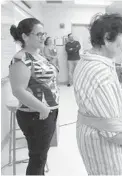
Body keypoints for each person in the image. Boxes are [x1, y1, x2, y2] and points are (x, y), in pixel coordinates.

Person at [73, 13, 122, 175]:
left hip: (92, 136)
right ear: (107, 38)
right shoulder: (99, 71)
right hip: (104, 145)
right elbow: (111, 129)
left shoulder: (88, 62)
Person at [9, 18, 59, 175]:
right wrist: (42, 108)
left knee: (40, 157)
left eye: (43, 33)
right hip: (35, 115)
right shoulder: (20, 58)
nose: (43, 37)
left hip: (46, 113)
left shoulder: (38, 55)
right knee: (37, 159)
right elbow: (18, 90)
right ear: (25, 37)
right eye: (38, 34)